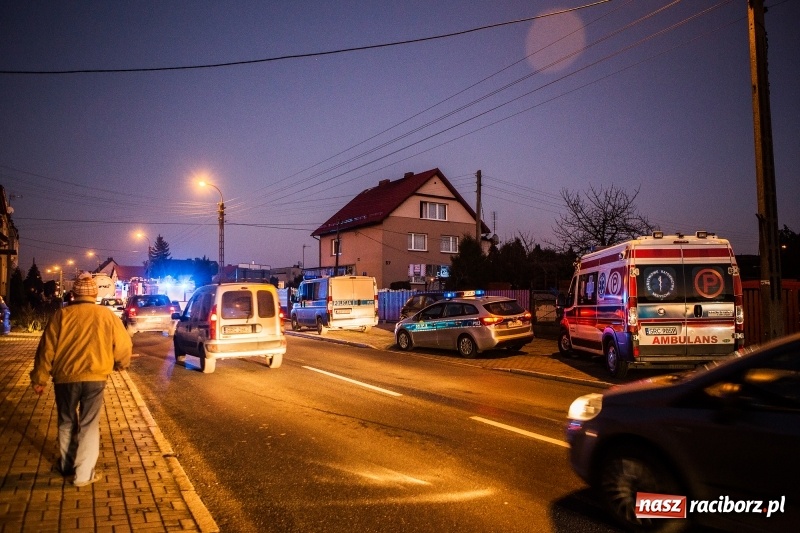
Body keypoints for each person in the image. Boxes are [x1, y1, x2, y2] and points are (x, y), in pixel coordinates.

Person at [30, 272, 132, 487]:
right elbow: (124, 345)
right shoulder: (106, 316)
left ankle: (67, 465)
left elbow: (46, 349)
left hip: (64, 378)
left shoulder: (61, 316)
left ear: (73, 294)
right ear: (95, 294)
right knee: (89, 424)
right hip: (96, 378)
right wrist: (121, 363)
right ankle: (83, 474)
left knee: (66, 422)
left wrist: (39, 378)